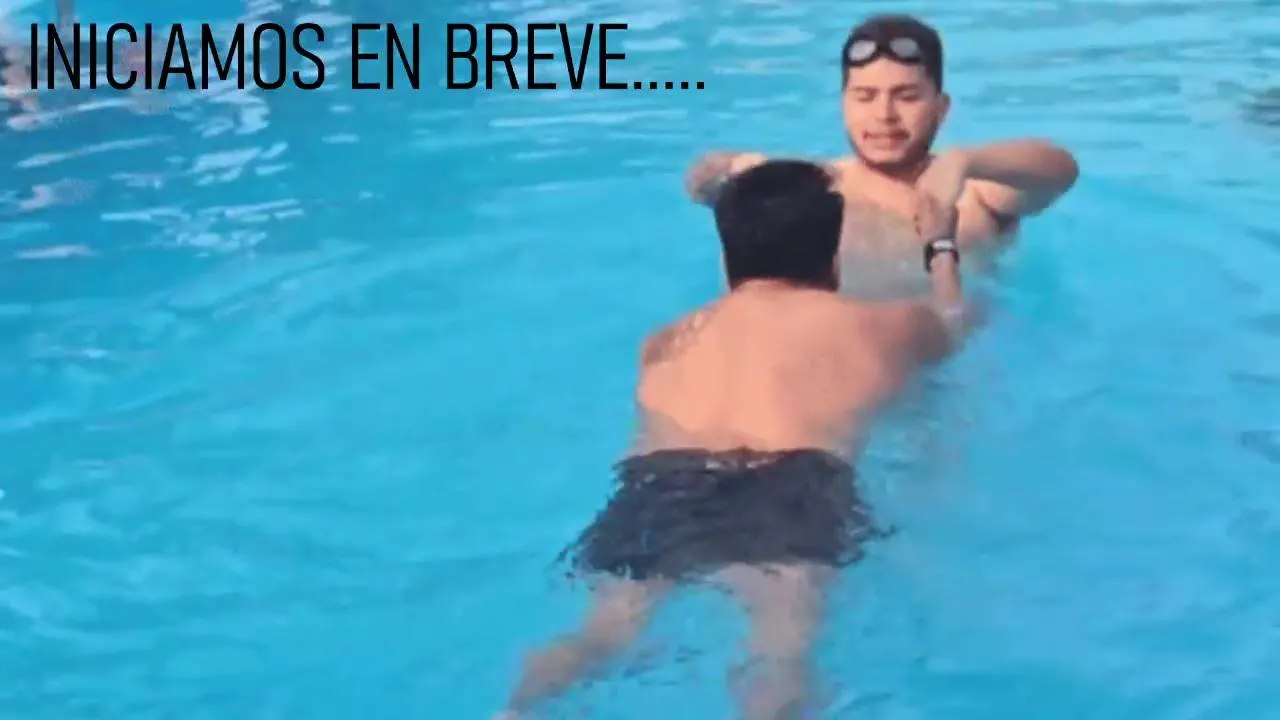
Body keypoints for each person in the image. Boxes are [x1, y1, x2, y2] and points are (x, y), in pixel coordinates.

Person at [492, 159, 975, 719]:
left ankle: (515, 710)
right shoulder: (885, 325)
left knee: (603, 633)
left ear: (727, 260)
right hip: (788, 480)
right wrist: (941, 245)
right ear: (834, 260)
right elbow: (955, 321)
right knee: (780, 657)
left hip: (662, 482)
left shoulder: (665, 341)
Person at [685, 13, 1079, 295]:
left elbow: (1059, 171)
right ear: (844, 104)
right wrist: (729, 168)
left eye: (906, 96)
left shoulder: (974, 194)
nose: (884, 114)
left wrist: (965, 161)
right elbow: (700, 184)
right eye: (865, 96)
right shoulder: (815, 188)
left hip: (960, 377)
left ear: (941, 108)